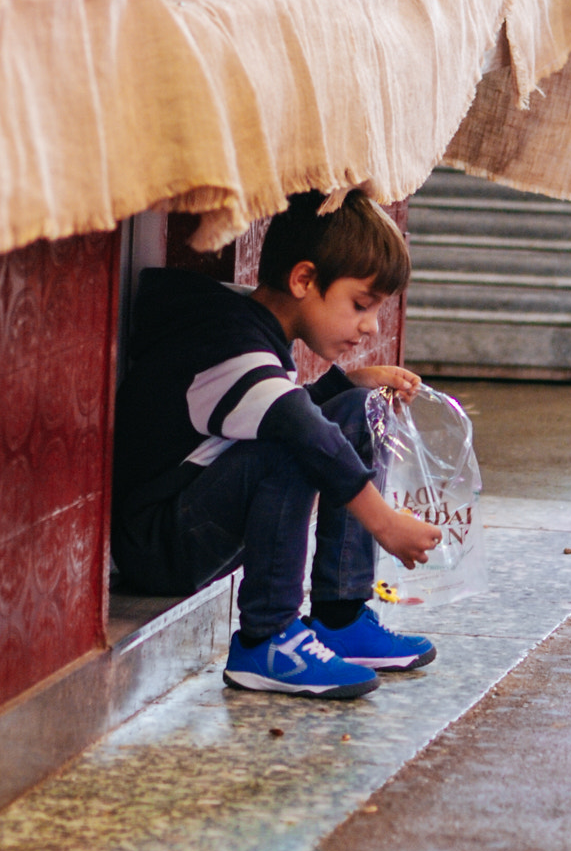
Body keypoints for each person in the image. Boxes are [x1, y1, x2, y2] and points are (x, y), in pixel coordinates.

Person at [112, 189, 442, 700]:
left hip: (194, 515)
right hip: (159, 547)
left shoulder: (258, 331)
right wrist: (385, 523)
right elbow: (295, 426)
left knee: (353, 410)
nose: (370, 326)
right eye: (360, 304)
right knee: (295, 440)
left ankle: (339, 615)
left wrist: (344, 385)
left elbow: (273, 412)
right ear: (304, 279)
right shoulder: (226, 341)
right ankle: (266, 639)